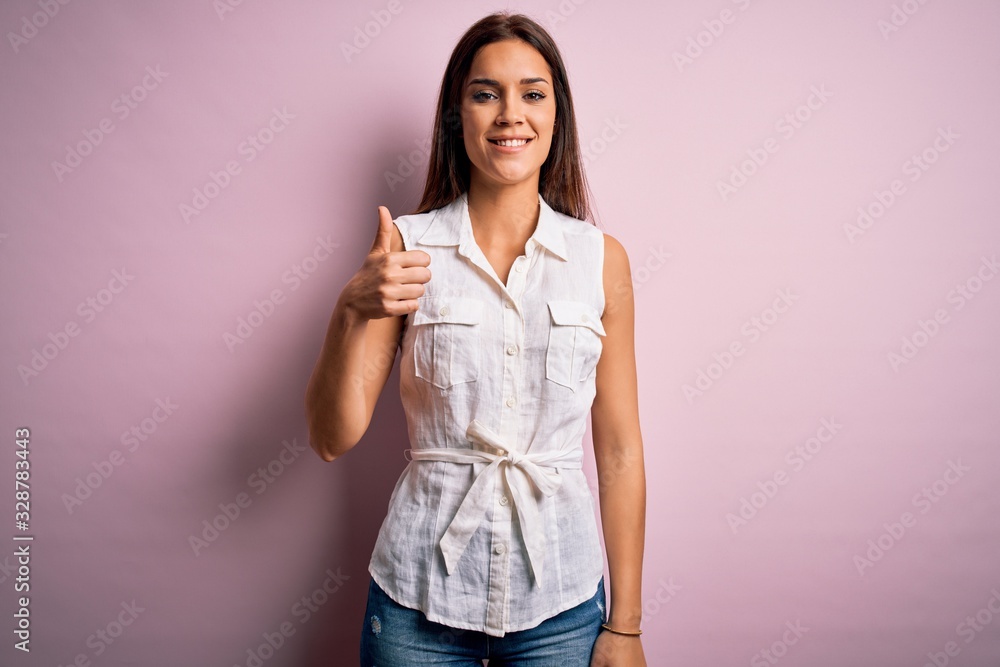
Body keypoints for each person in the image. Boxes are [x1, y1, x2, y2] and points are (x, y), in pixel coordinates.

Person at [304, 11, 647, 666]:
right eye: (486, 93)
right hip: (416, 598)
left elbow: (621, 449)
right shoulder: (405, 249)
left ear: (557, 115)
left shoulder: (602, 259)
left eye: (533, 93)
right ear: (457, 116)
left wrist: (624, 625)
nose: (510, 114)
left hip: (563, 602)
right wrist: (350, 308)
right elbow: (331, 437)